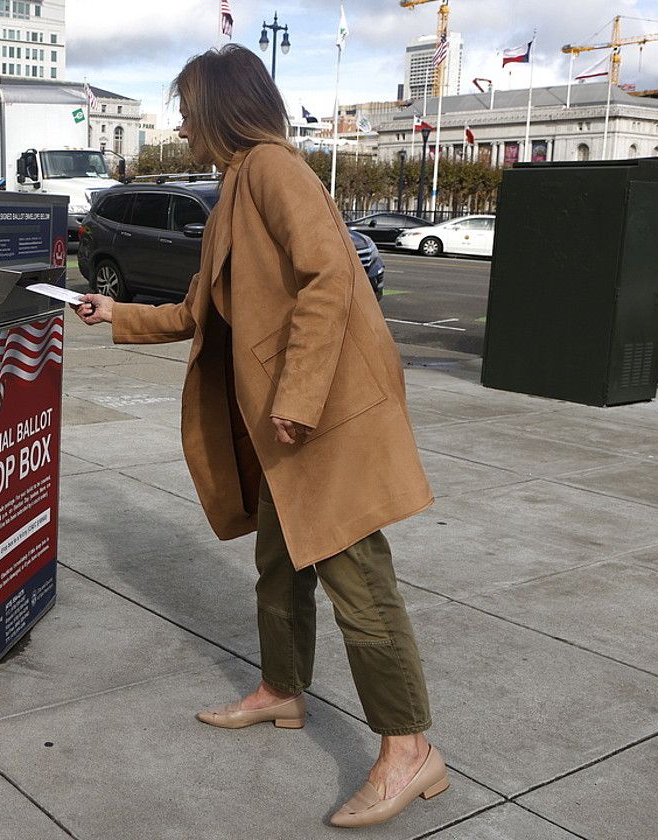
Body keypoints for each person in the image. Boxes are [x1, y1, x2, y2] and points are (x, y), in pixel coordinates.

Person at [72, 44, 444, 829]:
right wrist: (117, 315)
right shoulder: (236, 184)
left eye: (188, 108)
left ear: (221, 109)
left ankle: (411, 750)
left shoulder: (274, 169)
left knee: (360, 588)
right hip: (280, 427)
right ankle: (282, 692)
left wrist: (301, 396)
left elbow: (329, 277)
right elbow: (199, 312)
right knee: (279, 570)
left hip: (321, 422)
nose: (180, 122)